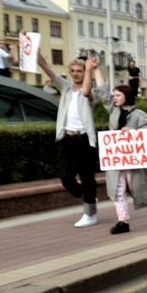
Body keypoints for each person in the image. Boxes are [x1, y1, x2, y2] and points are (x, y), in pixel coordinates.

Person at [38, 52, 105, 227]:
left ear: (84, 73)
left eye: (79, 71)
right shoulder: (65, 87)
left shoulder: (91, 93)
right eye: (73, 70)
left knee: (87, 176)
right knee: (66, 178)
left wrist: (90, 69)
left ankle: (90, 214)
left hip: (83, 139)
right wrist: (32, 46)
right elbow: (45, 66)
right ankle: (89, 198)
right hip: (65, 138)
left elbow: (86, 91)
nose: (75, 73)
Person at [98, 82, 147, 235]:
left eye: (118, 95)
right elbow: (103, 93)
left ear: (127, 96)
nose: (114, 98)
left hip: (135, 162)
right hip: (117, 160)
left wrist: (133, 132)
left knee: (141, 188)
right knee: (118, 190)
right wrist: (96, 69)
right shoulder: (113, 111)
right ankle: (123, 221)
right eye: (114, 95)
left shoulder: (140, 115)